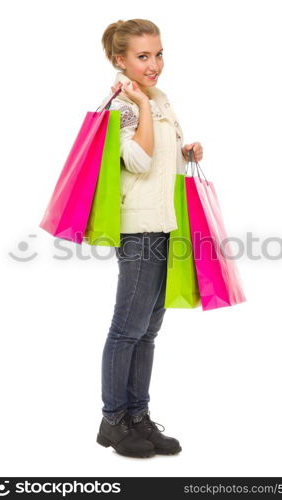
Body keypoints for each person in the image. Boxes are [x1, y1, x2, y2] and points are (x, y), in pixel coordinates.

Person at [96, 18, 204, 458]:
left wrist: (185, 152)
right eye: (143, 56)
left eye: (158, 54)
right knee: (127, 329)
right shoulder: (123, 104)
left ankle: (138, 416)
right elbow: (136, 161)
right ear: (119, 60)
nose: (154, 64)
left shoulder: (158, 100)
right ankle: (113, 420)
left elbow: (155, 162)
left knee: (148, 330)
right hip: (139, 229)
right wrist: (140, 107)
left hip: (165, 223)